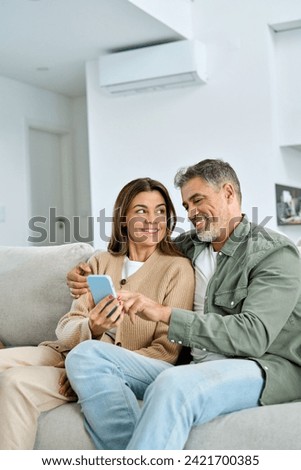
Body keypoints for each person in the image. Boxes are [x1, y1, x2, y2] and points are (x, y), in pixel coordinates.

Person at [66, 159, 301, 450]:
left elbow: (252, 336)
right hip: (192, 367)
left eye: (198, 200)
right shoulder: (190, 245)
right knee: (86, 356)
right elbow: (138, 250)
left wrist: (163, 314)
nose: (190, 212)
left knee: (173, 386)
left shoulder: (274, 254)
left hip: (260, 367)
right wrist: (83, 270)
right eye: (186, 205)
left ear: (228, 193)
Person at [0, 177, 194, 450]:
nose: (153, 219)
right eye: (141, 211)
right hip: (64, 352)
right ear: (123, 218)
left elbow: (166, 351)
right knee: (6, 371)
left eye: (160, 211)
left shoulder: (178, 269)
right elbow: (67, 327)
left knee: (14, 383)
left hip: (111, 365)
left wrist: (90, 370)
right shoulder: (101, 262)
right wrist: (92, 327)